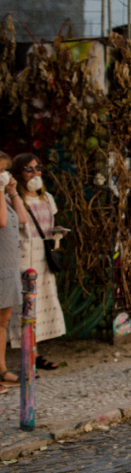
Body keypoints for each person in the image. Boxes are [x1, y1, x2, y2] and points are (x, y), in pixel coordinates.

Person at [7, 154, 65, 369]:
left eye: (37, 168)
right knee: (26, 308)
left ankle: (35, 354)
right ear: (19, 174)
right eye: (29, 169)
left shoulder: (47, 198)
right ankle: (27, 358)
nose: (35, 172)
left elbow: (49, 224)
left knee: (40, 308)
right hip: (23, 257)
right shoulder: (13, 198)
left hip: (43, 258)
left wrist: (57, 234)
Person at [0, 153, 25, 391]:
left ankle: (1, 369)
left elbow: (23, 219)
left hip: (7, 266)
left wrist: (13, 191)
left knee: (3, 321)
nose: (4, 175)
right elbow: (2, 221)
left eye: (6, 170)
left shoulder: (5, 197)